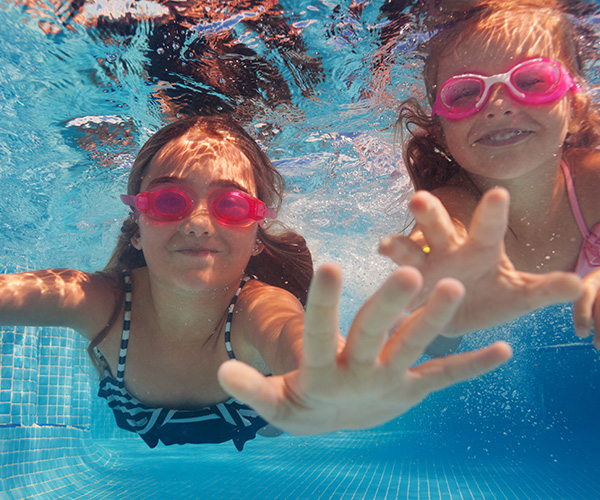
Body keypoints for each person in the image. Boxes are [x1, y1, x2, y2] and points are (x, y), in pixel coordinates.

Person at [0, 115, 513, 451]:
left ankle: (448, 312)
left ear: (256, 236)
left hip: (252, 416)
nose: (200, 222)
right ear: (136, 226)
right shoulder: (102, 302)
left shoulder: (258, 306)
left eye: (230, 205)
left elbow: (291, 336)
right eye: (169, 200)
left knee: (284, 412)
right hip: (136, 411)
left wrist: (328, 377)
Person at [383, 0, 599, 353]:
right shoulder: (455, 203)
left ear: (573, 106)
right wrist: (433, 286)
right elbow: (437, 236)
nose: (499, 106)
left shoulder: (593, 181)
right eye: (465, 93)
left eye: (532, 80)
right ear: (440, 132)